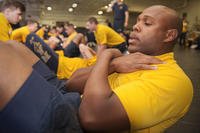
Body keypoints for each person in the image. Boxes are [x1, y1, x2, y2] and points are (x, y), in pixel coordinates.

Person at [68, 5, 193, 132]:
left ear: (169, 35)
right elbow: (70, 85)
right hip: (67, 105)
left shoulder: (173, 80)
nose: (135, 26)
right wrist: (113, 65)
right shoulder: (125, 60)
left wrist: (106, 55)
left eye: (147, 23)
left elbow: (92, 117)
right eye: (137, 21)